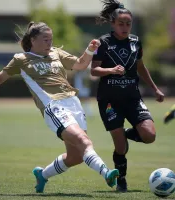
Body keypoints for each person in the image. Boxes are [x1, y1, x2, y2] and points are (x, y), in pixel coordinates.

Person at [0, 21, 119, 193]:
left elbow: (80, 64)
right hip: (54, 106)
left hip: (73, 103)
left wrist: (90, 49)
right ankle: (107, 173)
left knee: (76, 157)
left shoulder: (56, 53)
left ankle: (42, 175)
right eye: (45, 40)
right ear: (33, 40)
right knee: (84, 141)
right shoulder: (21, 60)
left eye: (50, 40)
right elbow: (0, 77)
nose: (49, 43)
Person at [91, 0, 165, 192]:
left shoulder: (135, 42)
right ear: (113, 24)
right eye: (121, 23)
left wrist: (155, 89)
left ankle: (123, 135)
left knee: (149, 136)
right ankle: (121, 179)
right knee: (121, 149)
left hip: (132, 98)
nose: (125, 27)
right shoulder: (103, 42)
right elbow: (94, 70)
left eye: (128, 24)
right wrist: (111, 70)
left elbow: (140, 67)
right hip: (109, 101)